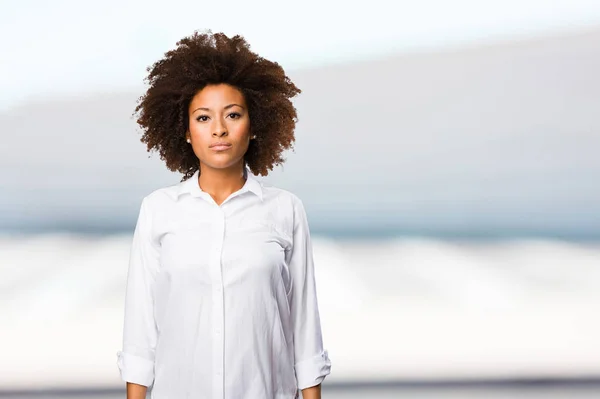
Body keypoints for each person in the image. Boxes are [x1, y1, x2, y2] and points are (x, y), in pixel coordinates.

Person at [116, 30, 331, 399]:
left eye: (233, 114)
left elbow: (304, 328)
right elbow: (140, 333)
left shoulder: (285, 210)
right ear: (184, 131)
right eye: (203, 117)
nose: (219, 129)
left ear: (254, 125)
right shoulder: (159, 210)